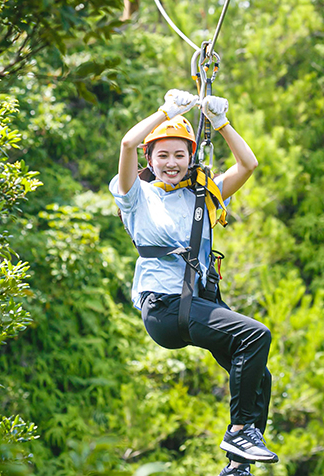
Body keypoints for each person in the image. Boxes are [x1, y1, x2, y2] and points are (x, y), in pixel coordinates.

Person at [109, 89, 278, 476]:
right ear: (149, 160)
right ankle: (238, 432)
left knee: (260, 376)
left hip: (195, 302)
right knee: (255, 336)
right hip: (164, 307)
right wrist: (165, 112)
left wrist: (221, 123)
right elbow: (127, 142)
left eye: (179, 154)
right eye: (162, 155)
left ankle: (238, 466)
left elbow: (248, 165)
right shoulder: (136, 195)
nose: (171, 162)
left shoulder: (201, 195)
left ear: (190, 159)